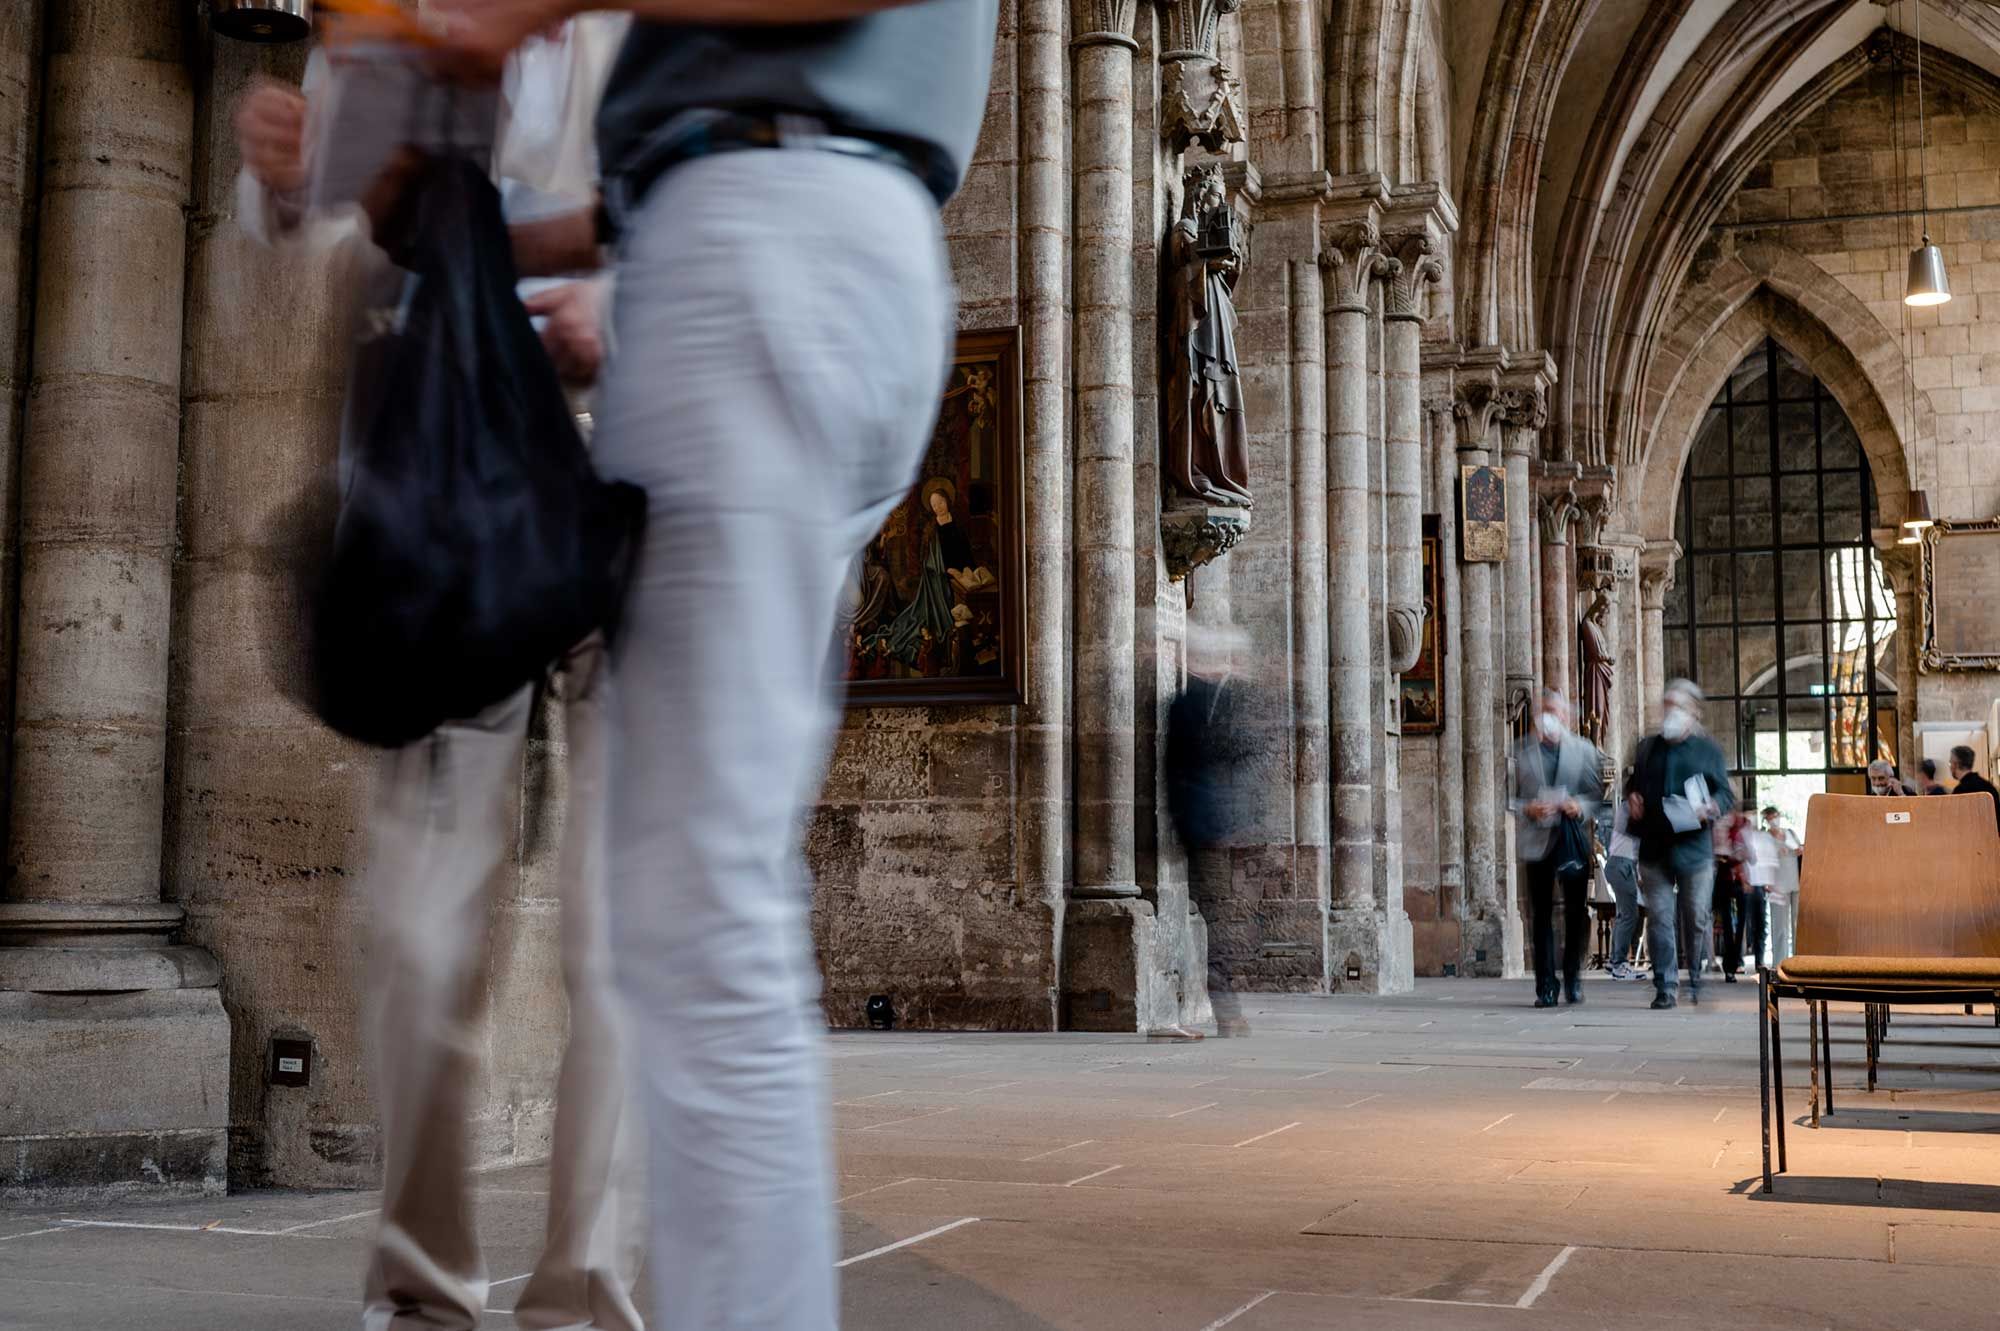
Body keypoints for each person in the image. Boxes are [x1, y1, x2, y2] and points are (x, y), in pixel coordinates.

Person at [432, 4, 998, 1327]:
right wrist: (473, 237)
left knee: (695, 903)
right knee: (690, 886)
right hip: (788, 230)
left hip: (769, 239)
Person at [235, 18, 646, 1331]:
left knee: (618, 917)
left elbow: (713, 193)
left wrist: (616, 301)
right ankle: (422, 1284)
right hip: (444, 471)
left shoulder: (649, 30)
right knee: (417, 919)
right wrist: (288, 186)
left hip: (621, 466)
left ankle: (585, 1283)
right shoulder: (392, 19)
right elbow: (293, 256)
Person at [1166, 621, 1257, 1037]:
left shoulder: (1218, 699)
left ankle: (1221, 1008)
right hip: (1201, 825)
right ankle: (1221, 1010)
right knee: (1214, 922)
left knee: (1215, 920)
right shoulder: (1191, 702)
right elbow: (1197, 764)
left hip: (1210, 824)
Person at [1626, 680, 1734, 1010]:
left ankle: (1696, 979)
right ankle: (1665, 985)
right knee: (1659, 917)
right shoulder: (1647, 748)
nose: (1671, 712)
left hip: (1694, 849)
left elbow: (1725, 794)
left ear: (1693, 713)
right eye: (1667, 705)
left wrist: (1712, 806)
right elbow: (1631, 785)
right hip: (1654, 848)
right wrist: (1632, 798)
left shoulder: (1708, 750)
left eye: (1678, 706)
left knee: (1696, 916)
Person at [1511, 691, 1606, 1007]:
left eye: (1554, 711)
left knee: (1576, 915)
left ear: (1566, 716)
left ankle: (1573, 979)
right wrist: (1529, 809)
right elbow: (1508, 798)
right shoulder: (1522, 753)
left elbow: (1599, 796)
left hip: (1570, 842)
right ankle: (1546, 987)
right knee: (1541, 917)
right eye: (1544, 710)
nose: (1548, 716)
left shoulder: (1584, 750)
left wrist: (1579, 805)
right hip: (1537, 844)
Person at [1602, 766, 1645, 981]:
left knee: (1624, 914)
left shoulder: (1632, 808)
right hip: (1620, 864)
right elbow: (1631, 831)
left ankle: (1614, 961)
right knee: (1630, 914)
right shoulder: (1627, 809)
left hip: (1624, 865)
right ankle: (1619, 963)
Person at [1763, 806, 1801, 967]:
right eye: (1770, 818)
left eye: (1775, 816)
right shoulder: (1764, 838)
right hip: (1777, 885)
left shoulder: (1790, 833)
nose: (1774, 820)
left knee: (1797, 925)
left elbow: (1801, 851)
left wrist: (1799, 850)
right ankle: (1779, 963)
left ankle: (1799, 961)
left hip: (1795, 883)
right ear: (1766, 820)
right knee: (1780, 928)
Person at [1948, 745, 2000, 834]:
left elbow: (1954, 823)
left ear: (1956, 764)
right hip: (1992, 842)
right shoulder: (1990, 788)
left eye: (1950, 763)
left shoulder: (1959, 791)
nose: (1950, 767)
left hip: (1967, 843)